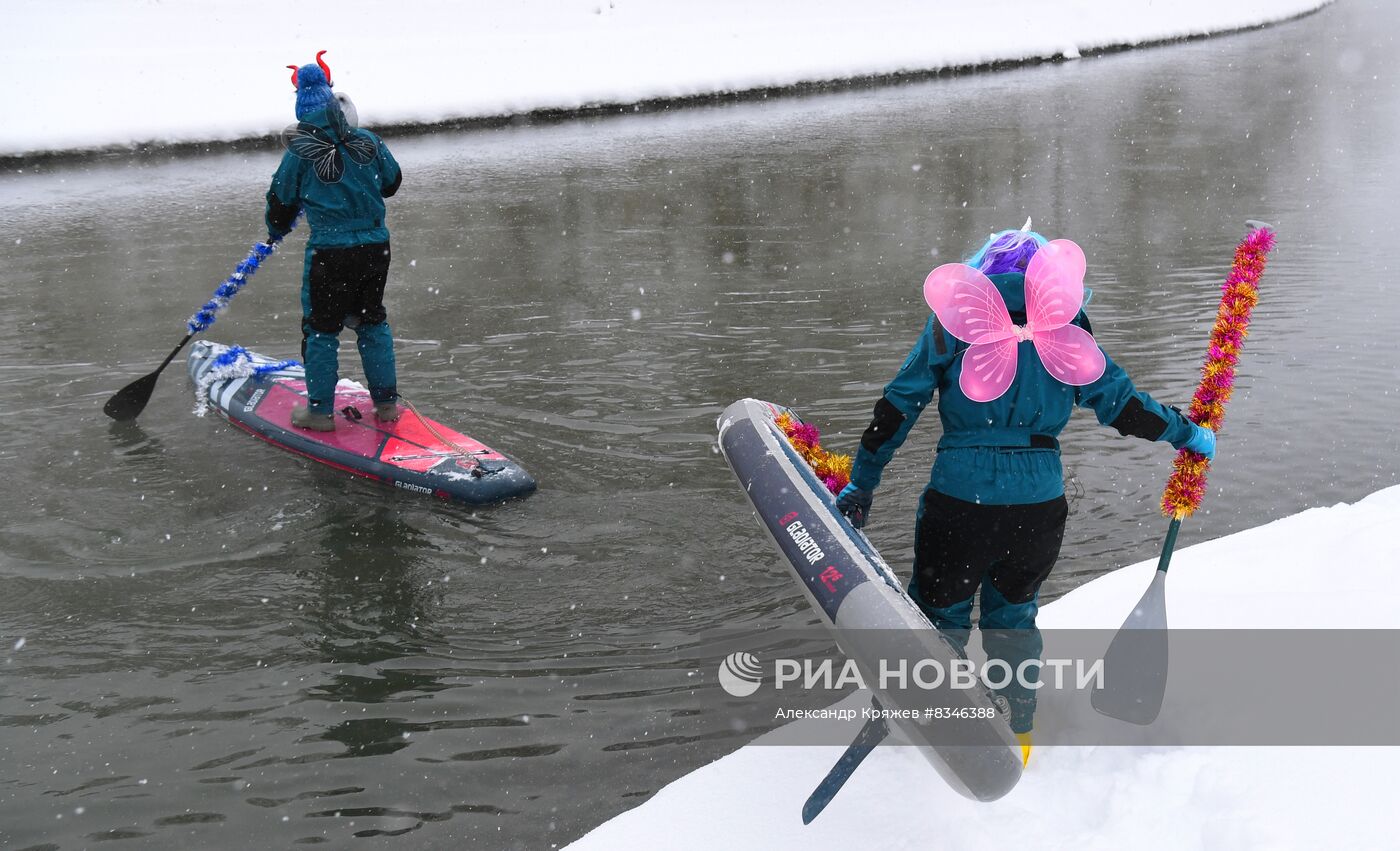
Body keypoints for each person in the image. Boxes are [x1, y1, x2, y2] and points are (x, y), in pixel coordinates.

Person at [834, 223, 1215, 763]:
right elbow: (1122, 404)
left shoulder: (954, 321)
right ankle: (1019, 730)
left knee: (940, 616)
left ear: (982, 269)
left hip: (959, 501)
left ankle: (927, 732)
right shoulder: (1068, 323)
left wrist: (862, 482)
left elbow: (898, 405)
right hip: (1037, 507)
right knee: (1012, 617)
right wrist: (1188, 433)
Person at [265, 52, 404, 431]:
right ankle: (387, 405)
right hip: (376, 248)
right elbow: (391, 183)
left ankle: (320, 412)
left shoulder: (299, 154)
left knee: (322, 329)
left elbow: (280, 203)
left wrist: (276, 231)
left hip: (330, 252)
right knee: (372, 320)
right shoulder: (368, 141)